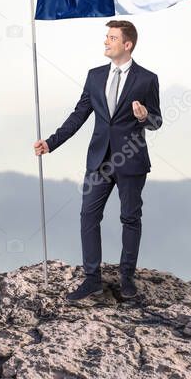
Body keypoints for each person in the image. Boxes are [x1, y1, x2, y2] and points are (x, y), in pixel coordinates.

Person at [33, 20, 162, 301]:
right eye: (107, 37)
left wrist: (144, 117)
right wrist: (51, 142)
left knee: (130, 218)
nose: (106, 42)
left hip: (131, 161)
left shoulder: (147, 79)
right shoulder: (94, 76)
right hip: (99, 160)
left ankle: (127, 279)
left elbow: (157, 120)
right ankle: (92, 279)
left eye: (112, 38)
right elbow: (79, 115)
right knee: (88, 215)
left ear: (127, 45)